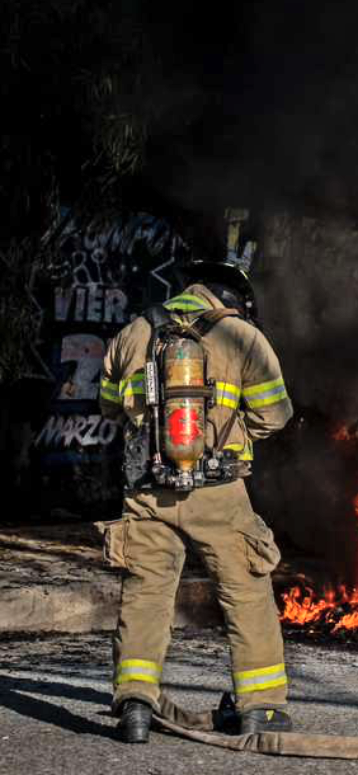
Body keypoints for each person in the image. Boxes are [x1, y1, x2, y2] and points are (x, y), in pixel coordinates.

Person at [98, 261, 294, 743]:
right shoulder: (243, 337)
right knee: (246, 591)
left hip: (146, 491)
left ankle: (136, 704)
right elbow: (276, 416)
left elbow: (107, 405)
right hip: (217, 491)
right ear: (234, 302)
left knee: (146, 594)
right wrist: (230, 434)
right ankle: (260, 709)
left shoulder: (134, 331)